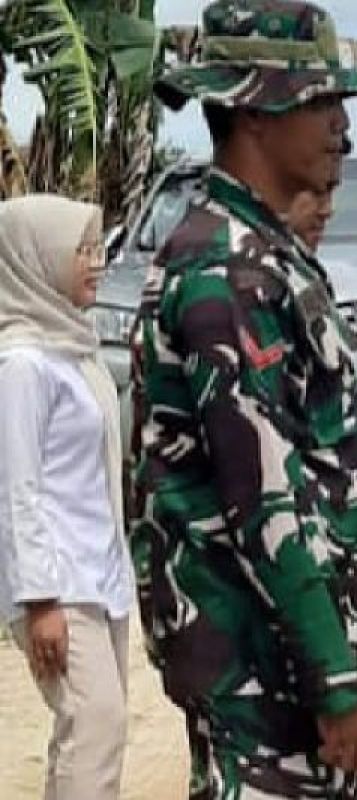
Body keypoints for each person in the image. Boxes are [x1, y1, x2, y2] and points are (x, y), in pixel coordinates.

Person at [130, 1, 357, 797]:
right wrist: (336, 682)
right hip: (266, 677)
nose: (342, 128)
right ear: (254, 107)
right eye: (320, 101)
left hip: (279, 673)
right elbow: (262, 498)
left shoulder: (261, 251)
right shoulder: (226, 273)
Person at [0, 195, 134, 800]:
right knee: (95, 724)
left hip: (99, 576)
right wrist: (39, 599)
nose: (96, 263)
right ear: (38, 260)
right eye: (80, 250)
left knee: (91, 730)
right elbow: (15, 487)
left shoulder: (73, 351)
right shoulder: (22, 366)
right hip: (58, 583)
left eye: (97, 248)